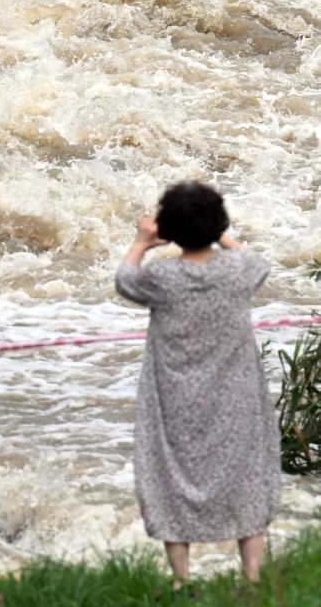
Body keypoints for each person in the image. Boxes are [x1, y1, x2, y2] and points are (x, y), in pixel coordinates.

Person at [115, 180, 281, 591]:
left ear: (167, 229)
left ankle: (181, 581)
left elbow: (125, 281)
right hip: (235, 395)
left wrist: (142, 241)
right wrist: (220, 234)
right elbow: (256, 260)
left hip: (176, 398)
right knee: (245, 475)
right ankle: (251, 577)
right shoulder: (238, 271)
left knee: (170, 476)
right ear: (219, 222)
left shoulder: (161, 277)